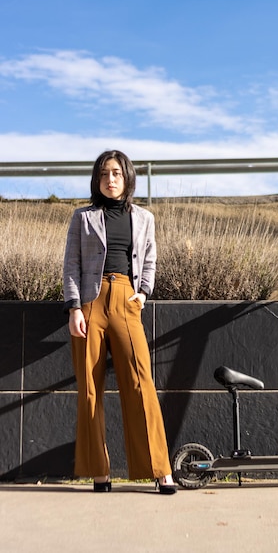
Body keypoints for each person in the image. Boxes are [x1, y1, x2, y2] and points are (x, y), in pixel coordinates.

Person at [63, 150, 176, 494]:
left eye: (116, 173)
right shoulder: (83, 217)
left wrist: (143, 293)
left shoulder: (144, 218)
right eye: (103, 174)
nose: (110, 180)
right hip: (90, 303)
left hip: (126, 300)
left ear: (127, 178)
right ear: (97, 180)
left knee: (141, 381)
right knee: (90, 389)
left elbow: (151, 259)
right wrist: (74, 308)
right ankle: (100, 472)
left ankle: (159, 469)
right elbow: (70, 265)